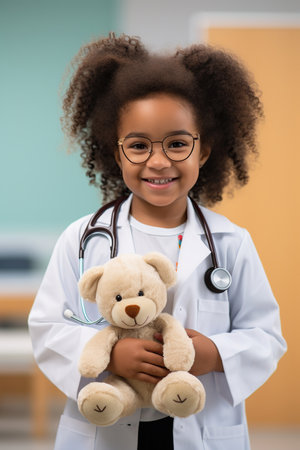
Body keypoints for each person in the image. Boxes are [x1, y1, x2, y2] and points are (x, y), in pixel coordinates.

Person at [28, 33, 286, 450]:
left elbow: (266, 336)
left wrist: (213, 354)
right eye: (139, 145)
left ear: (204, 151)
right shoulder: (81, 238)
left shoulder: (231, 242)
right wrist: (109, 356)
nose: (159, 160)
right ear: (116, 153)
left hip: (200, 426)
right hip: (107, 427)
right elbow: (46, 328)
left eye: (178, 143)